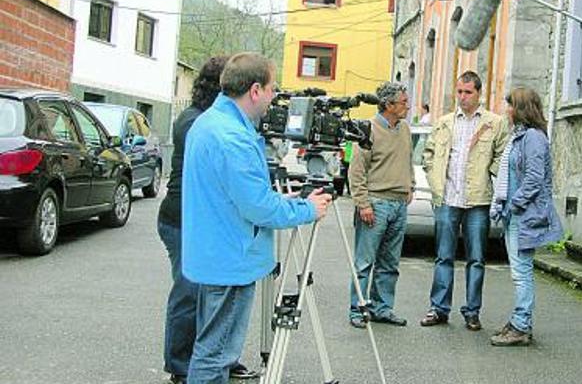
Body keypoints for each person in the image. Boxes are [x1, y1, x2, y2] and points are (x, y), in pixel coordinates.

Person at [182, 52, 333, 384]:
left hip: (214, 253)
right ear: (254, 90)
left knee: (210, 347)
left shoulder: (209, 123)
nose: (272, 97)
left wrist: (277, 200)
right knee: (216, 353)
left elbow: (233, 194)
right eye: (271, 89)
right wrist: (308, 209)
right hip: (230, 259)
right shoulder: (233, 137)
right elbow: (257, 208)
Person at [157, 56, 260, 383]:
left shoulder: (215, 120)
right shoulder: (196, 122)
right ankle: (181, 365)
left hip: (204, 222)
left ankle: (213, 359)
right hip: (182, 221)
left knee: (210, 297)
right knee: (189, 294)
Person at [419, 71, 508, 331]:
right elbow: (429, 153)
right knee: (443, 256)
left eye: (468, 92)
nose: (462, 97)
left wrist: (489, 174)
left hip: (477, 200)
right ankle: (438, 308)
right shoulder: (445, 122)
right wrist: (435, 179)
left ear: (478, 93)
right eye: (459, 92)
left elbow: (502, 155)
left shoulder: (494, 122)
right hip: (448, 197)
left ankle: (472, 311)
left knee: (476, 258)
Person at [488, 88, 564, 346]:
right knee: (520, 271)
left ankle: (520, 326)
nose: (505, 110)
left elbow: (534, 179)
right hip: (516, 213)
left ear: (521, 109)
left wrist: (512, 206)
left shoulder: (533, 138)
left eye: (509, 105)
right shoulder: (519, 137)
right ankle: (520, 321)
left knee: (522, 272)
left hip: (523, 215)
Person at [347, 81, 414, 328]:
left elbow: (407, 159)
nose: (408, 106)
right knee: (364, 262)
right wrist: (363, 204)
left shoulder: (404, 129)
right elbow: (357, 171)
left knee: (390, 263)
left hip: (399, 204)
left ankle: (382, 308)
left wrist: (411, 185)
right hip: (375, 203)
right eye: (404, 102)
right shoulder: (369, 129)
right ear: (388, 105)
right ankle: (357, 309)